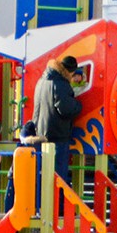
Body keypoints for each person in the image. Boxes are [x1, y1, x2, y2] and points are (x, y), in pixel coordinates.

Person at [32, 54, 81, 186]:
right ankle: (57, 206)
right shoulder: (60, 84)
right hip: (57, 137)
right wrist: (78, 105)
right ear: (70, 72)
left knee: (43, 178)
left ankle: (42, 205)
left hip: (40, 134)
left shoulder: (42, 81)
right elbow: (66, 109)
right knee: (57, 179)